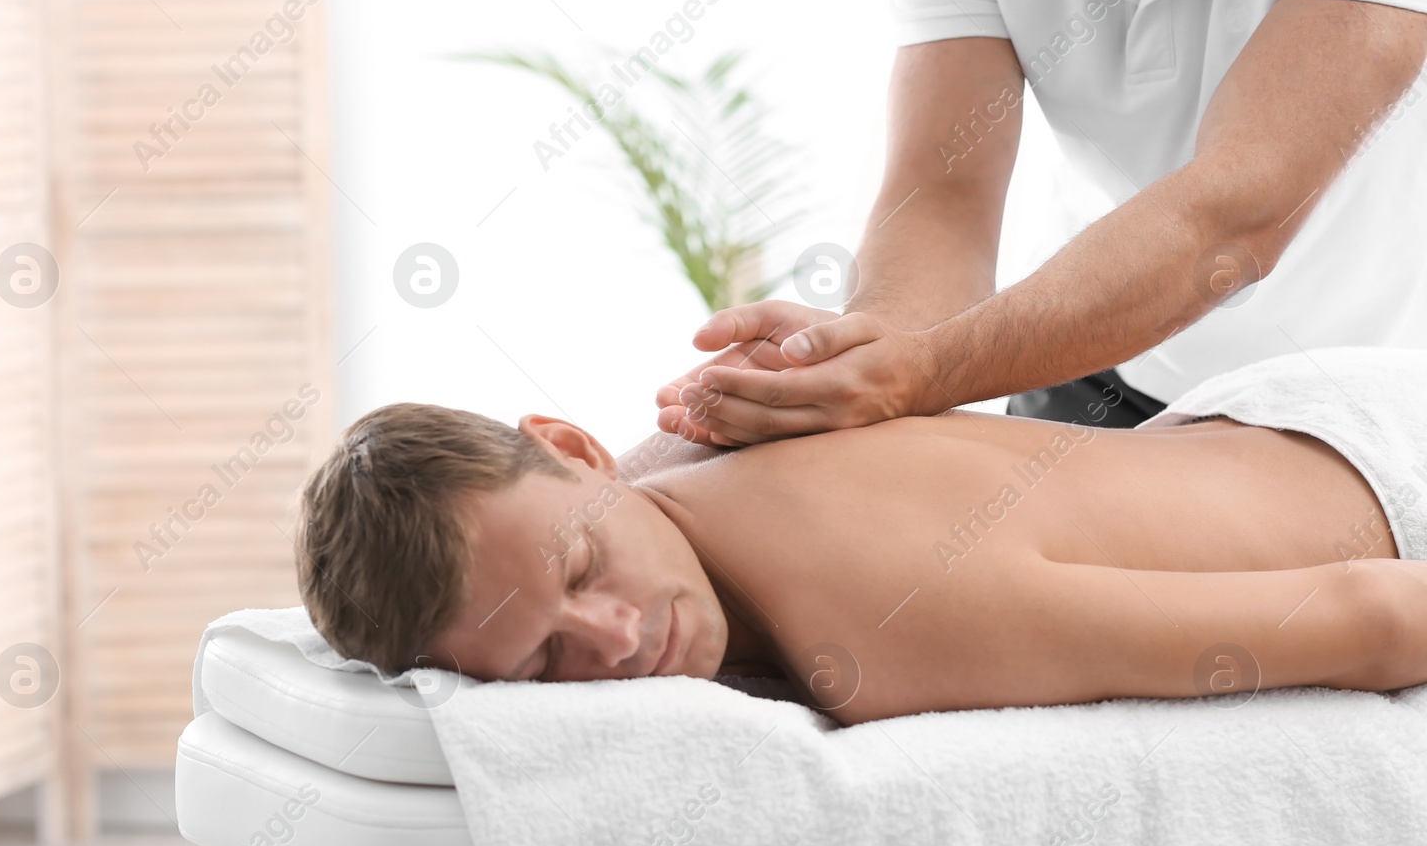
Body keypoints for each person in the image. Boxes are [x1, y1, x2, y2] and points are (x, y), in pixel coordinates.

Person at [294, 348, 1427, 728]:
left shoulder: (886, 616)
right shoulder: (660, 464)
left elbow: (1372, 620)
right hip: (1270, 418)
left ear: (580, 451)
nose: (618, 635)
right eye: (542, 657)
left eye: (581, 570)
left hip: (1388, 474)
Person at [655, 0, 1427, 444]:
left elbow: (1236, 217)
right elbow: (942, 202)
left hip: (1369, 393)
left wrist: (921, 369)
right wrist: (853, 356)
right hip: (1102, 368)